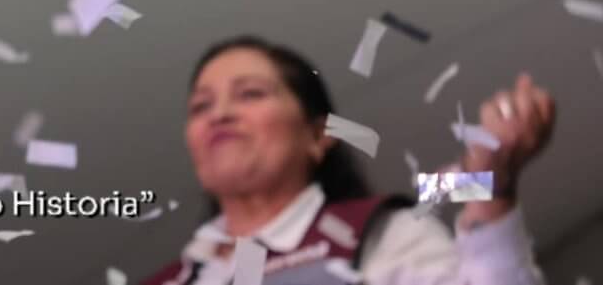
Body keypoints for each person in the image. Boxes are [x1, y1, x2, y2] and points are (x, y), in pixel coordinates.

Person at [140, 36, 557, 284]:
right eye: (200, 106)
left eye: (250, 93)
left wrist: (492, 188)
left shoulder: (379, 234)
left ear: (319, 136)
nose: (220, 114)